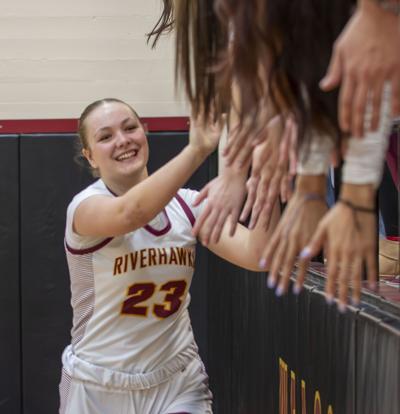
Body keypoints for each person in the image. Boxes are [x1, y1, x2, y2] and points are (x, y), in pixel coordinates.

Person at [59, 98, 279, 414]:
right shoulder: (84, 208)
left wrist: (265, 183)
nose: (122, 140)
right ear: (90, 156)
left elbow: (260, 256)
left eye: (130, 127)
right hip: (96, 387)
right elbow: (131, 213)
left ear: (145, 134)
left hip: (175, 382)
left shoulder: (188, 206)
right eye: (105, 137)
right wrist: (197, 150)